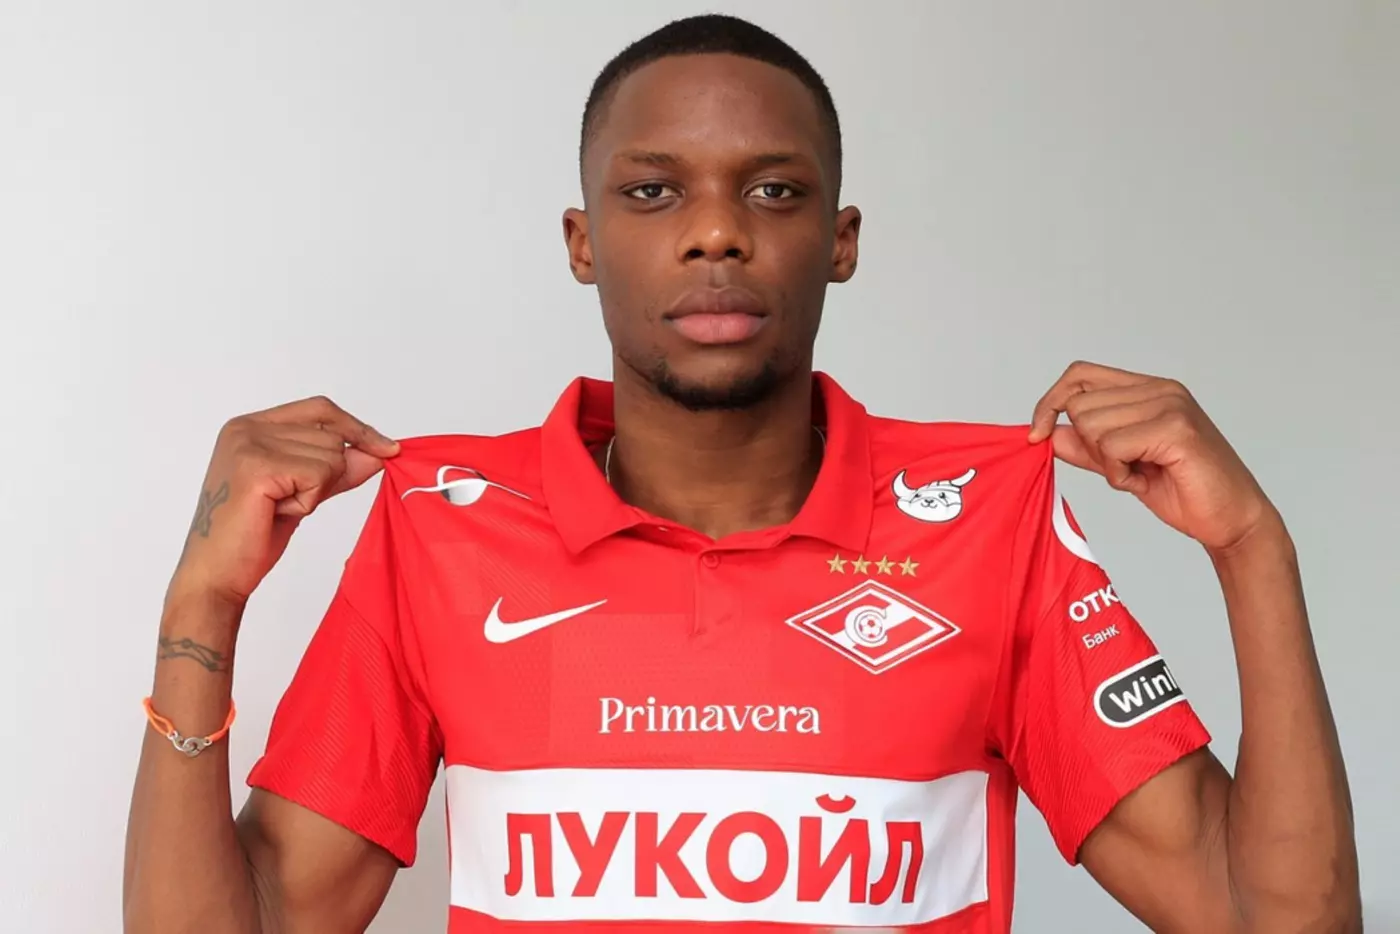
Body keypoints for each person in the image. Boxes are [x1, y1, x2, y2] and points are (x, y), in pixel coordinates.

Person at [122, 13, 1361, 934]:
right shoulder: (442, 526)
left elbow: (1270, 918)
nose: (715, 230)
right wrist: (201, 608)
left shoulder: (987, 520)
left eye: (771, 190)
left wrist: (1252, 547)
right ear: (582, 242)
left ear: (838, 240)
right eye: (652, 191)